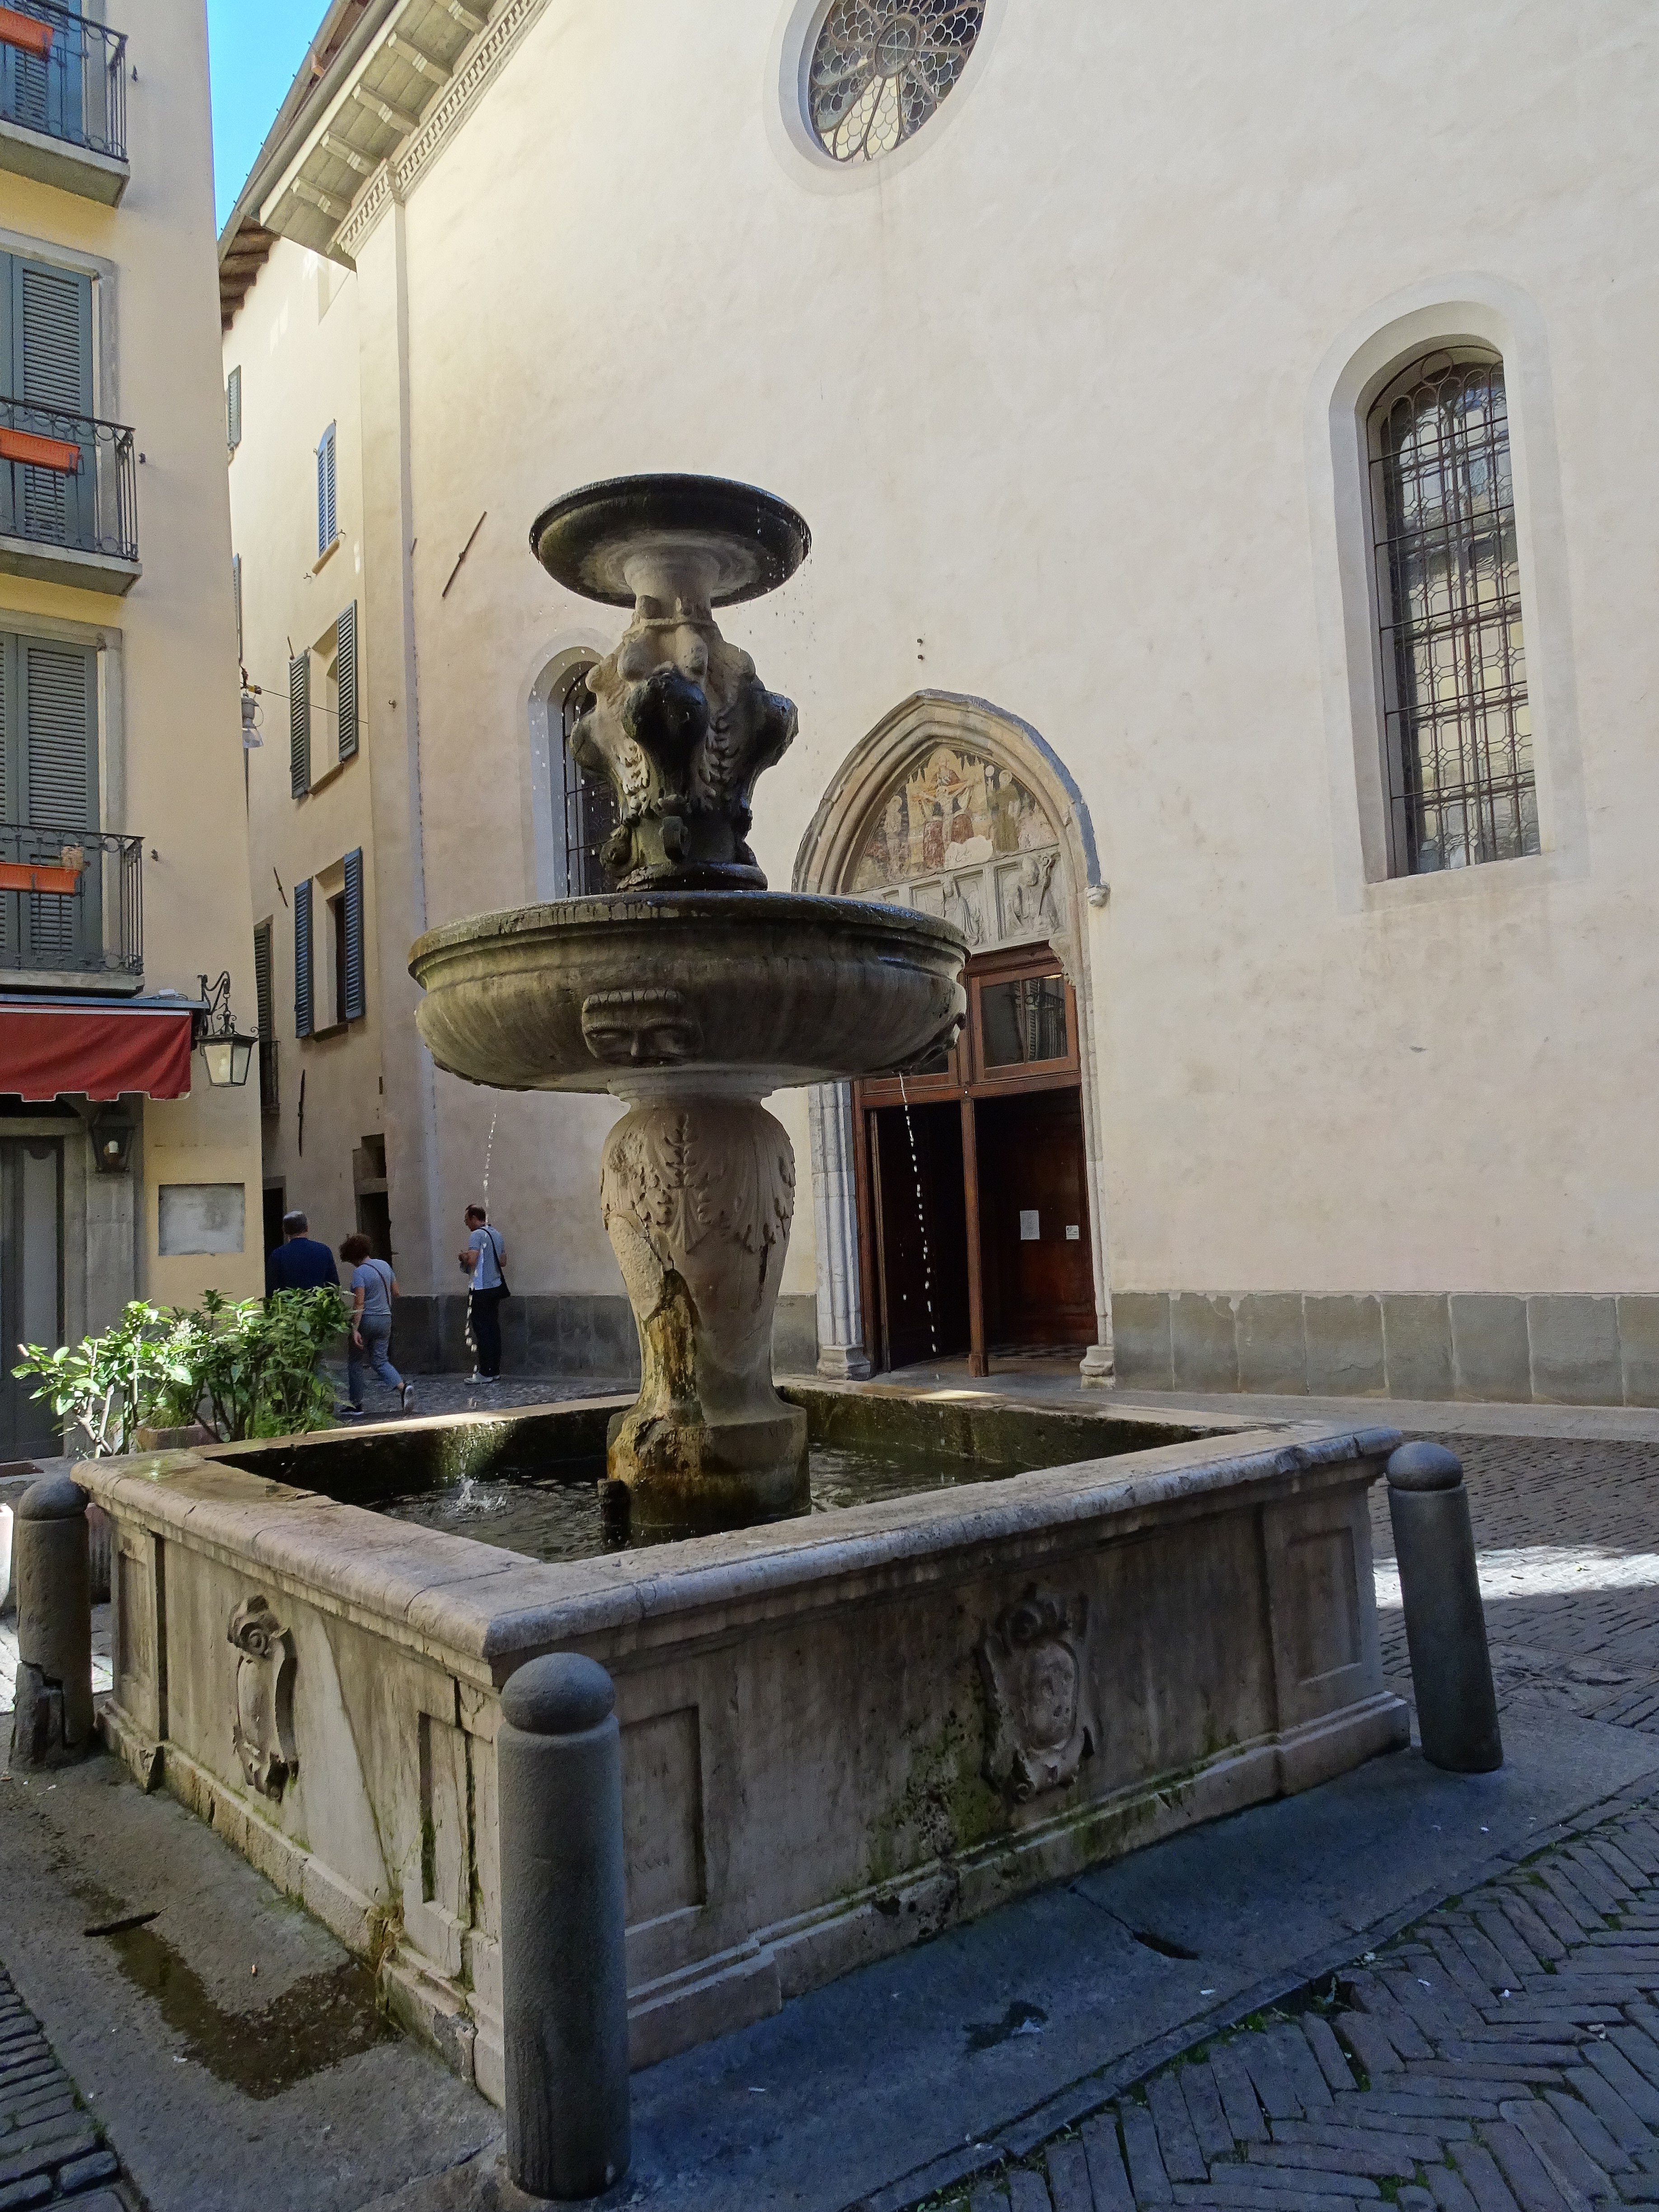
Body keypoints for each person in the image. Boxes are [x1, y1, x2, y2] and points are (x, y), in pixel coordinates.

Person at [339, 1233, 414, 1419]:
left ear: (353, 1256)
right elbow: (396, 1292)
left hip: (367, 1320)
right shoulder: (384, 1266)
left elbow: (359, 1303)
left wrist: (355, 1329)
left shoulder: (360, 1273)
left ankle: (356, 1405)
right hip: (385, 1319)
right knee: (380, 1360)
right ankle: (403, 1387)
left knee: (355, 1362)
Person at [459, 1204, 507, 1383]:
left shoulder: (476, 1235)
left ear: (474, 1218)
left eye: (467, 1220)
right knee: (493, 1329)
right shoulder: (497, 1234)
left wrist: (463, 1256)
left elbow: (472, 1260)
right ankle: (494, 1371)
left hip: (480, 1289)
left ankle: (485, 1373)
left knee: (482, 1330)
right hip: (495, 1286)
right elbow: (503, 1261)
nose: (466, 1224)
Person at [265, 1210, 339, 1294]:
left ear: (284, 1230)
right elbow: (333, 1286)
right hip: (318, 1301)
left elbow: (271, 1289)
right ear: (307, 1228)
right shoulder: (324, 1251)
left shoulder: (277, 1255)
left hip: (288, 1302)